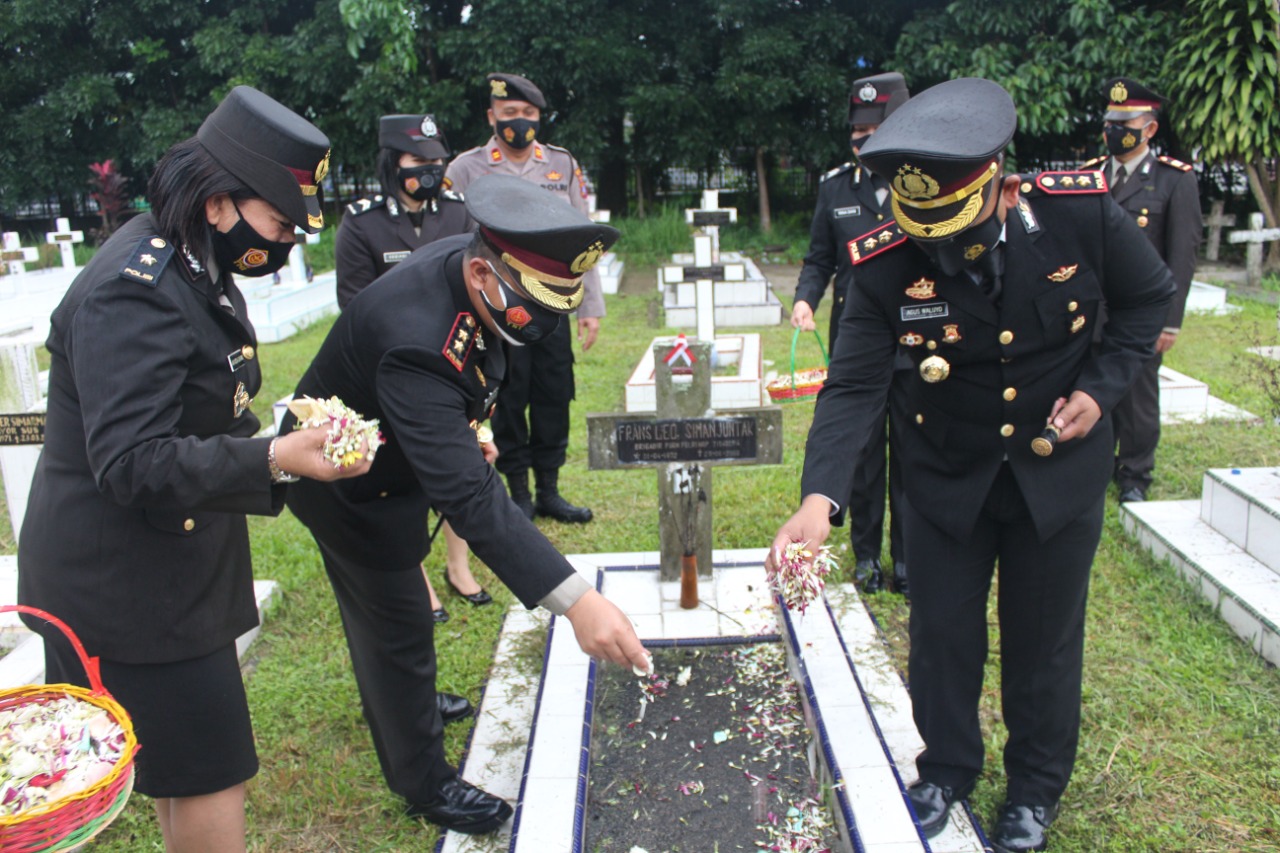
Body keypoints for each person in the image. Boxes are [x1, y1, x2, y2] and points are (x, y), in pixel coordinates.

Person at [768, 78, 1175, 853]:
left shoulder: (1077, 214)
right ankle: (947, 766)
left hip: (1056, 474)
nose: (943, 251)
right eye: (925, 230)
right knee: (943, 635)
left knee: (1043, 640)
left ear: (1005, 187)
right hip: (945, 472)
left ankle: (1034, 788)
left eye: (958, 228)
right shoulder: (886, 258)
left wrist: (1101, 389)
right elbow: (853, 385)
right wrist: (819, 498)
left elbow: (1147, 301)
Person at [17, 86, 372, 853]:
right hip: (125, 584)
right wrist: (274, 456)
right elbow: (131, 461)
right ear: (218, 204)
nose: (280, 244)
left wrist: (290, 436)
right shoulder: (132, 290)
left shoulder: (193, 264)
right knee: (210, 769)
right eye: (277, 224)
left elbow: (201, 406)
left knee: (192, 767)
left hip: (171, 562)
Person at [283, 174, 651, 835]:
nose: (545, 323)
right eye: (537, 306)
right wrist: (578, 601)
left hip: (396, 447)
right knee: (396, 624)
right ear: (483, 272)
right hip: (346, 482)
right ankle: (424, 780)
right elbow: (470, 499)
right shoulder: (416, 339)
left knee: (407, 624)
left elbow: (476, 365)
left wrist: (468, 427)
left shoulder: (471, 265)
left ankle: (414, 704)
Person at [335, 112, 488, 624]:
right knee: (401, 478)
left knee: (463, 463)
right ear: (392, 164)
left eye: (436, 162)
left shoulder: (461, 215)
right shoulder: (362, 223)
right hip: (388, 375)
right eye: (417, 162)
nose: (429, 171)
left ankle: (458, 564)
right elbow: (356, 309)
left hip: (455, 365)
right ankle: (417, 575)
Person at [445, 72, 602, 523]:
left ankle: (549, 490)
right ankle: (519, 493)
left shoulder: (560, 164)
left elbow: (583, 240)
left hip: (551, 302)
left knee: (554, 392)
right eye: (510, 113)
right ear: (492, 116)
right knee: (507, 396)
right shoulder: (466, 168)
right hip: (494, 308)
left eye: (529, 114)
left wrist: (589, 306)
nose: (520, 121)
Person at [791, 70, 911, 597]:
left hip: (914, 343)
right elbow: (819, 257)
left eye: (874, 132)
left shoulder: (921, 187)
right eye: (857, 133)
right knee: (862, 456)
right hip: (856, 341)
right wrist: (803, 299)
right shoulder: (836, 188)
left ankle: (906, 559)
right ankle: (867, 555)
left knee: (909, 452)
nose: (863, 142)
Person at [1081, 77, 1203, 503]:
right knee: (1092, 387)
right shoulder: (1091, 176)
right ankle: (1095, 464)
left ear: (1149, 129)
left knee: (1137, 397)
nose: (1114, 130)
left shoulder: (1174, 181)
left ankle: (1134, 474)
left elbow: (1181, 257)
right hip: (1090, 311)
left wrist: (1170, 321)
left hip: (1139, 314)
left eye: (1125, 122)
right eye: (1110, 122)